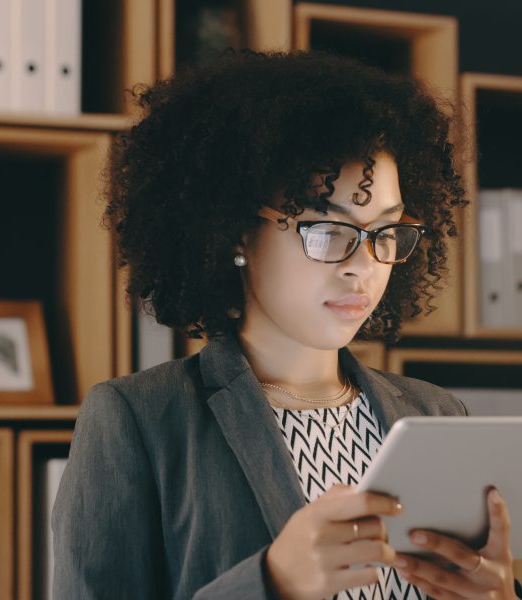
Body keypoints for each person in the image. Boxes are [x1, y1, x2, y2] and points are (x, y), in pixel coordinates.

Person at [52, 49, 521, 599]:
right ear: (236, 233)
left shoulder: (437, 414)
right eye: (326, 231)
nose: (363, 267)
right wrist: (272, 583)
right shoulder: (140, 420)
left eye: (385, 233)